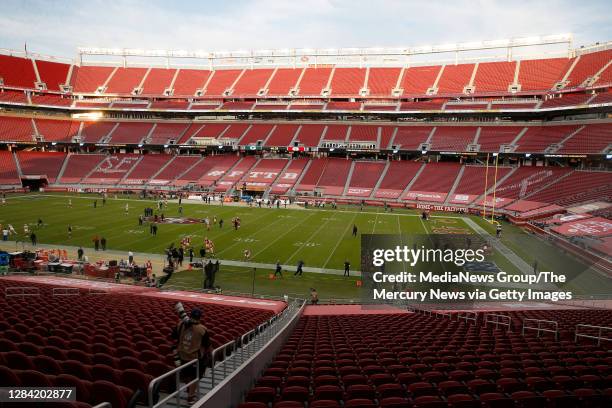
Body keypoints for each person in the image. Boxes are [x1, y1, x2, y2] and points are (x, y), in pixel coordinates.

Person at [174, 307, 210, 404]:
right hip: (194, 358)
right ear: (200, 318)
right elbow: (207, 345)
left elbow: (174, 337)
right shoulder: (202, 329)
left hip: (181, 355)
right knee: (195, 377)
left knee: (187, 376)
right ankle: (190, 397)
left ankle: (189, 389)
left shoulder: (180, 324)